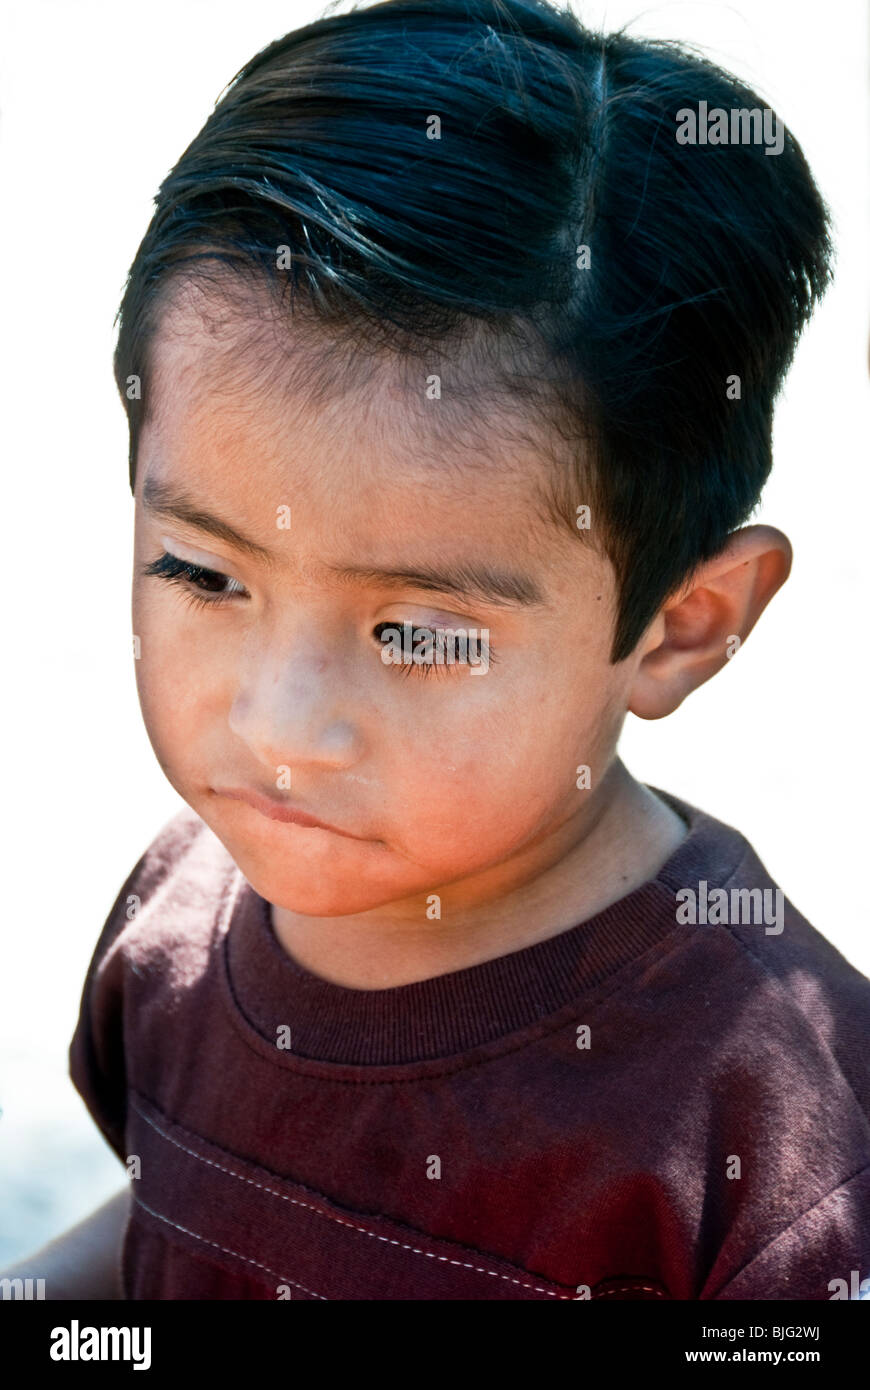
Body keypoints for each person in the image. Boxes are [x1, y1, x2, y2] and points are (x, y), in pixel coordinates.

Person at [4, 0, 868, 1300]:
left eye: (415, 630)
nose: (280, 721)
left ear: (682, 625)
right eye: (202, 571)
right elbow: (174, 1228)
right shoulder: (180, 921)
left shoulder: (769, 1139)